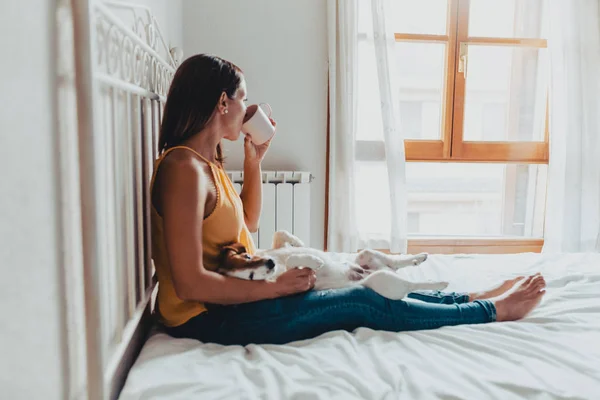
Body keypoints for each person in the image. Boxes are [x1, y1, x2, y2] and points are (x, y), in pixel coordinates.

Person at [151, 54, 546, 346]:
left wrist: (254, 160)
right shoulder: (183, 169)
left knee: (366, 279)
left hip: (231, 302)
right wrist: (277, 289)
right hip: (208, 319)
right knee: (362, 299)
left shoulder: (207, 164)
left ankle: (466, 297)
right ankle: (488, 311)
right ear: (223, 103)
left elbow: (249, 223)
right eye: (243, 98)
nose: (248, 108)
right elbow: (189, 284)